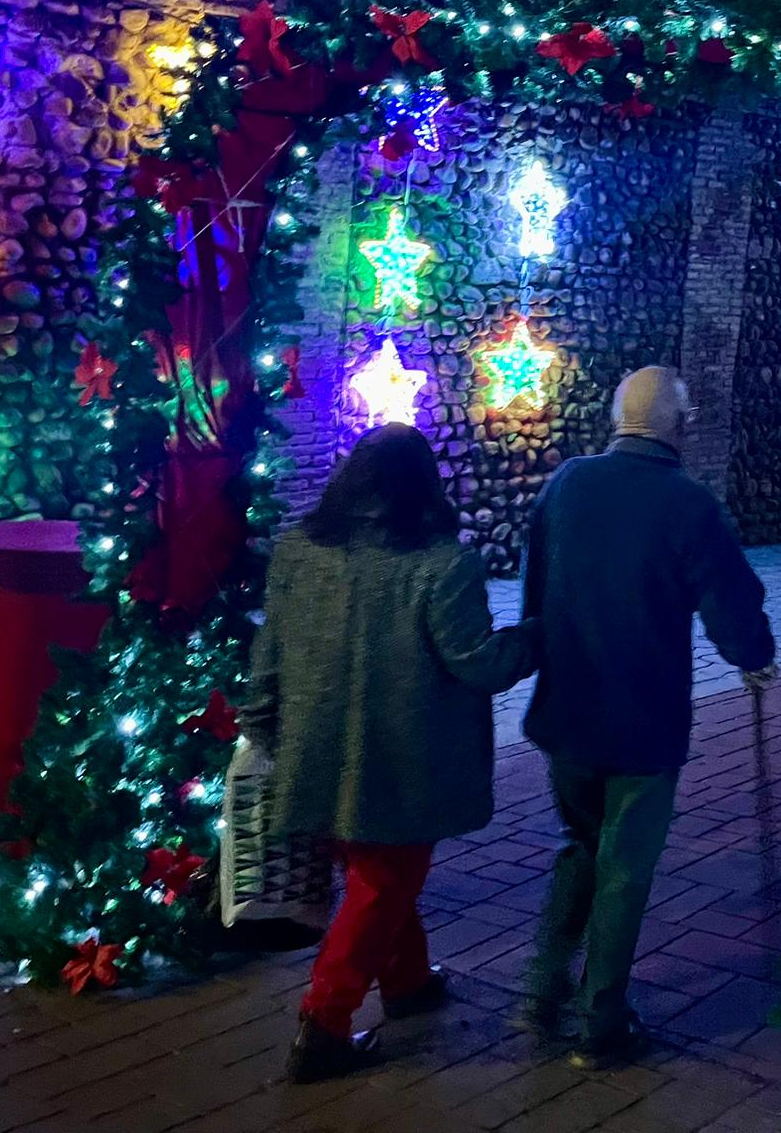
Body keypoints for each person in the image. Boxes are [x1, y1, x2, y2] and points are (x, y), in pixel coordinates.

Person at [245, 425, 538, 1084]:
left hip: (313, 749)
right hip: (403, 763)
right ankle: (323, 1023)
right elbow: (478, 663)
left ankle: (406, 982)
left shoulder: (298, 551)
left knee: (376, 873)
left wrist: (259, 722)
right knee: (385, 882)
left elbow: (268, 650)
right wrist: (534, 639)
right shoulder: (441, 563)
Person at [520, 367, 777, 1068]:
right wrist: (754, 656)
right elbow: (731, 598)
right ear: (680, 424)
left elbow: (534, 590)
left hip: (566, 711)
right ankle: (599, 1021)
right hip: (643, 721)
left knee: (578, 845)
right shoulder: (686, 503)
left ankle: (542, 988)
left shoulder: (566, 483)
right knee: (624, 868)